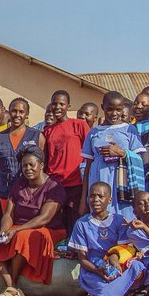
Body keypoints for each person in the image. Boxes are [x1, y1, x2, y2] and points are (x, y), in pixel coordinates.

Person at [0, 146, 66, 296]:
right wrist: (4, 230)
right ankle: (11, 286)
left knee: (22, 237)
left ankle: (15, 282)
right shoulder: (19, 184)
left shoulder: (53, 186)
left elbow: (44, 218)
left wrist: (16, 230)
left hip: (48, 230)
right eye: (24, 165)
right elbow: (9, 214)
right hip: (19, 228)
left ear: (41, 165)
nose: (28, 169)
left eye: (32, 164)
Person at [70, 181, 136, 296]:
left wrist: (114, 256)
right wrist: (97, 270)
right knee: (105, 294)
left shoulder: (119, 220)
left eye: (101, 196)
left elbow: (126, 249)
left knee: (138, 268)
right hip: (93, 268)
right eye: (92, 196)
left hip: (116, 265)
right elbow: (82, 258)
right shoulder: (82, 223)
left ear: (109, 200)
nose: (96, 200)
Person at [81, 92, 146, 216]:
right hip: (98, 178)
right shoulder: (94, 132)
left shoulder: (129, 130)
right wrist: (83, 199)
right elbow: (87, 167)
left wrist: (122, 153)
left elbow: (139, 160)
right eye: (110, 109)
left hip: (122, 182)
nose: (114, 113)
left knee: (124, 216)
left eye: (118, 109)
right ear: (102, 107)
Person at [41, 90, 90, 230]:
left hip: (76, 183)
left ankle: (74, 251)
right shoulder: (47, 131)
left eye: (61, 104)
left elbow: (89, 153)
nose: (57, 107)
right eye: (54, 103)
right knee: (56, 221)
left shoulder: (79, 125)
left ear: (68, 106)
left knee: (75, 220)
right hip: (55, 183)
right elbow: (45, 158)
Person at [0, 98, 43, 201]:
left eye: (21, 112)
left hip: (29, 192)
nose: (17, 115)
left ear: (27, 114)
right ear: (9, 111)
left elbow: (42, 165)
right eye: (14, 111)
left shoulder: (37, 136)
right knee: (6, 217)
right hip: (5, 192)